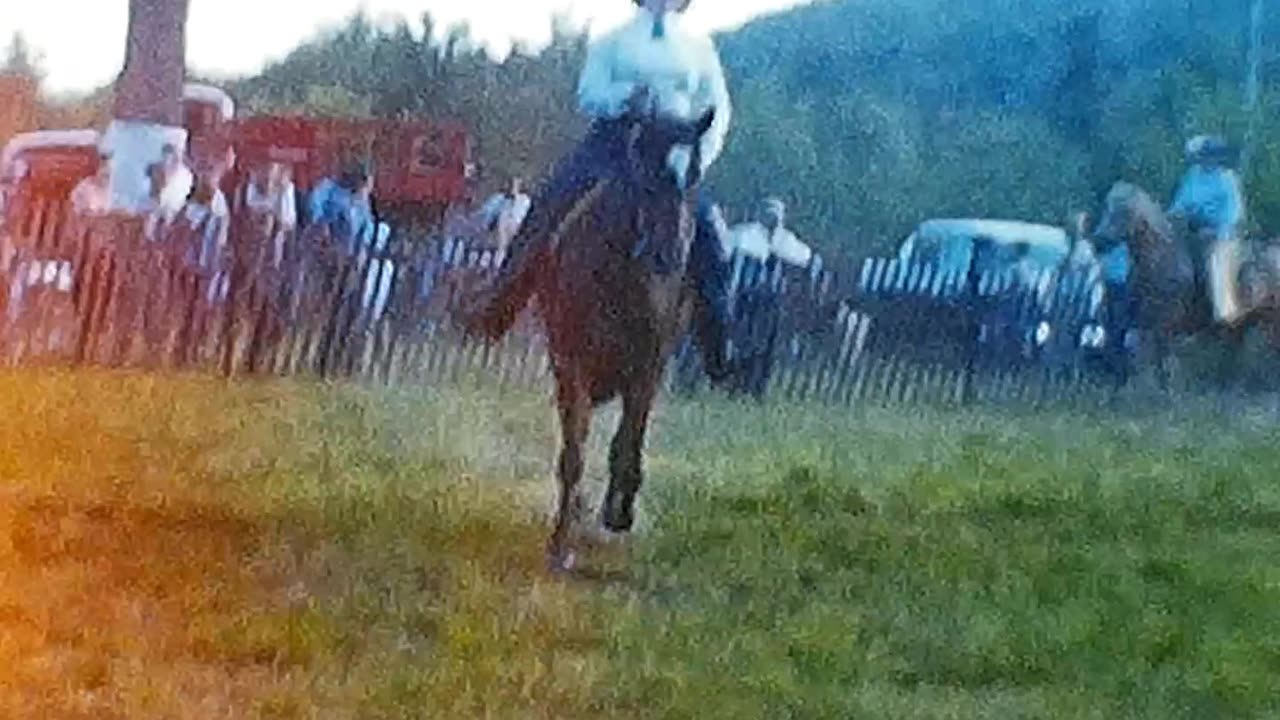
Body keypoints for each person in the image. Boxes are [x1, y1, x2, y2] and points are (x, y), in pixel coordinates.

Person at [463, 0, 736, 382]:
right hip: (615, 143)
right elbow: (589, 92)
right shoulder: (614, 40)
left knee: (710, 231)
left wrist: (697, 159)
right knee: (551, 202)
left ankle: (717, 339)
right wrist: (625, 97)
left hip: (674, 150)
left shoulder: (698, 47)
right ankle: (500, 302)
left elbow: (718, 108)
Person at [1167, 134, 1247, 324]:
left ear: (1219, 157)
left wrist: (1217, 230)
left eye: (1212, 155)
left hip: (1222, 235)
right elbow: (1180, 203)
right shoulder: (1192, 175)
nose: (1208, 159)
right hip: (1192, 231)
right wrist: (1170, 216)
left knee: (1216, 262)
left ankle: (1225, 313)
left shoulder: (1227, 178)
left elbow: (1234, 212)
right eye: (1205, 155)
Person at [476, 175, 531, 261]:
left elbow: (518, 216)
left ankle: (497, 263)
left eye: (515, 185)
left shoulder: (524, 200)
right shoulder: (501, 198)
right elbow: (487, 211)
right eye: (512, 184)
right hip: (497, 228)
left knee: (502, 246)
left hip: (512, 227)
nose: (511, 187)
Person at [69, 151, 113, 217]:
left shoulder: (107, 170)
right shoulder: (89, 180)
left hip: (99, 194)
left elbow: (104, 182)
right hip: (94, 190)